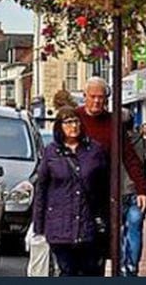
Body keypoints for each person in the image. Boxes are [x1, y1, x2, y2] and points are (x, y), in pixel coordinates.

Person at [77, 77, 146, 276]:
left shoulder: (112, 123)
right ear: (84, 96)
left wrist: (142, 190)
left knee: (99, 245)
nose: (97, 101)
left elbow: (130, 158)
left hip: (102, 193)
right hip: (76, 192)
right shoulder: (74, 119)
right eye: (92, 97)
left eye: (101, 98)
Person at [33, 106, 109, 276]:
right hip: (60, 226)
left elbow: (104, 187)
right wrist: (38, 227)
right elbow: (42, 189)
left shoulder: (94, 150)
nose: (73, 126)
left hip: (88, 225)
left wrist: (105, 218)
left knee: (90, 271)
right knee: (67, 270)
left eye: (75, 121)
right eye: (67, 122)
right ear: (59, 126)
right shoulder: (51, 152)